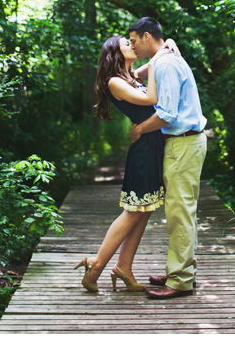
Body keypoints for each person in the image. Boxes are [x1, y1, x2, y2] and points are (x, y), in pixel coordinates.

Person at [75, 35, 177, 292]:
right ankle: (96, 267)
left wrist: (169, 42)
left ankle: (124, 267)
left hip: (153, 146)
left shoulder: (131, 75)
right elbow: (153, 99)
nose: (133, 46)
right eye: (127, 44)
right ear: (115, 54)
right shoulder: (115, 82)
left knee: (145, 209)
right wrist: (155, 65)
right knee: (133, 211)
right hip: (143, 151)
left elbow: (155, 56)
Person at [128, 16, 207, 300]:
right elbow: (152, 66)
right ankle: (182, 270)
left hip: (183, 143)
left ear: (147, 37)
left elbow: (167, 114)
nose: (132, 46)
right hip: (183, 143)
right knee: (181, 211)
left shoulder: (167, 64)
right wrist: (135, 74)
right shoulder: (163, 59)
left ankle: (180, 280)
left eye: (134, 40)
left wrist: (139, 130)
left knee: (179, 212)